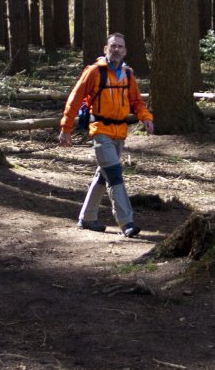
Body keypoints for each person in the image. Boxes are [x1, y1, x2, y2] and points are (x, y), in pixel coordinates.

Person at [58, 33, 155, 237]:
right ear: (105, 49)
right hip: (100, 130)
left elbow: (136, 101)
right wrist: (66, 129)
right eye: (113, 46)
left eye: (120, 46)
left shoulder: (128, 74)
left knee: (103, 176)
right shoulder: (94, 72)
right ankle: (126, 222)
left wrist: (146, 117)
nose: (116, 50)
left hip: (120, 132)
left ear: (125, 51)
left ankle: (87, 218)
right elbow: (75, 99)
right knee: (114, 176)